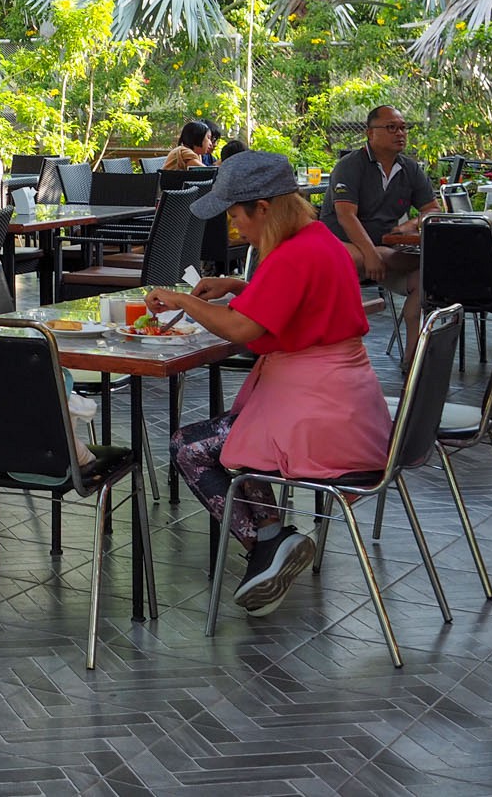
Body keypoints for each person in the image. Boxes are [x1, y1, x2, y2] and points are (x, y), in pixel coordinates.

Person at [146, 151, 392, 618]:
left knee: (189, 447)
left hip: (318, 415)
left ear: (264, 207)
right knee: (229, 440)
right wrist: (238, 287)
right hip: (345, 402)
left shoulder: (291, 256)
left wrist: (180, 298)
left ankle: (269, 540)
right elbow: (292, 304)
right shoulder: (320, 240)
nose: (236, 227)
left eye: (237, 215)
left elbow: (241, 331)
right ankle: (272, 541)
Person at [320, 104, 439, 345]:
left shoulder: (410, 169)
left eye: (403, 128)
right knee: (370, 257)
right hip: (339, 245)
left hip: (384, 250)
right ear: (370, 133)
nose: (400, 133)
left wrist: (409, 225)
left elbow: (433, 210)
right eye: (391, 127)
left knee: (425, 274)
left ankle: (412, 358)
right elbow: (346, 216)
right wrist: (371, 253)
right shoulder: (350, 166)